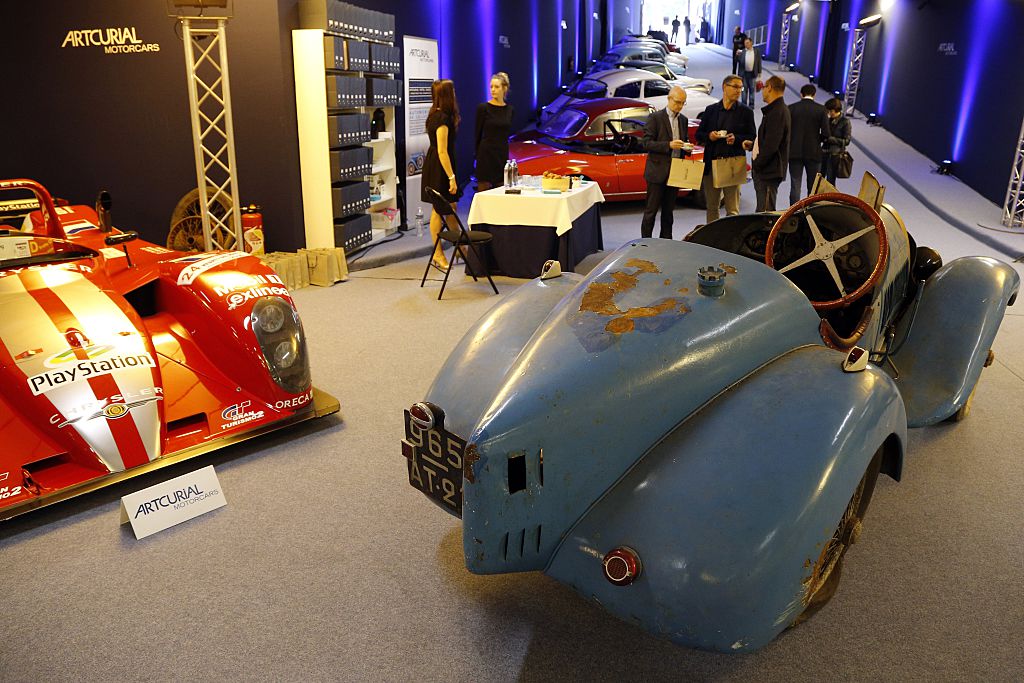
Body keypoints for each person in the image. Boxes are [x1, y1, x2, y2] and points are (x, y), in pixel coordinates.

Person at [695, 74, 756, 223]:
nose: (738, 91)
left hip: (732, 165)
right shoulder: (710, 110)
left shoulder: (746, 112)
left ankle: (730, 243)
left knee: (732, 210)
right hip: (712, 164)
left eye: (740, 88)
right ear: (724, 87)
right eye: (735, 87)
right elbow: (699, 134)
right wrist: (709, 136)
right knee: (712, 207)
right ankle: (712, 240)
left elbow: (752, 136)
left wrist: (737, 139)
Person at [640, 86, 691, 239]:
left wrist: (686, 147)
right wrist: (668, 145)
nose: (680, 106)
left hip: (675, 172)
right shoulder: (655, 118)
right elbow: (646, 143)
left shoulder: (683, 120)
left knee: (668, 213)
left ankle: (666, 243)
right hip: (657, 171)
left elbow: (683, 141)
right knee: (651, 212)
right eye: (677, 102)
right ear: (669, 99)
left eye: (683, 103)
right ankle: (645, 244)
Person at [421, 79, 461, 270]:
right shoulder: (442, 118)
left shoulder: (434, 115)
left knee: (451, 206)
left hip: (436, 164)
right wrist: (451, 177)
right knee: (438, 209)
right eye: (452, 92)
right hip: (440, 167)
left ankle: (462, 246)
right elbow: (442, 151)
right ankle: (438, 253)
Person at [745, 75, 791, 212]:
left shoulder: (777, 113)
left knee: (765, 214)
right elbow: (769, 140)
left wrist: (758, 164)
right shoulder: (775, 110)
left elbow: (771, 146)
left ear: (769, 88)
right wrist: (754, 145)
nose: (762, 91)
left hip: (768, 172)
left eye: (764, 87)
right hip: (767, 170)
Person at [788, 84, 831, 204]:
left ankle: (793, 211)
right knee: (812, 186)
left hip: (794, 151)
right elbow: (826, 133)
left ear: (801, 94)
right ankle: (810, 211)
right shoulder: (821, 109)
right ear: (814, 95)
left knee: (795, 185)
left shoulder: (791, 108)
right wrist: (818, 140)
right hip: (814, 152)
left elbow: (787, 130)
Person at [474, 72, 515, 192]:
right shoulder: (483, 108)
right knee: (484, 193)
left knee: (501, 192)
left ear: (505, 88)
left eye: (496, 87)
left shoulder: (510, 110)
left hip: (501, 155)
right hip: (486, 155)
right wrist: (476, 157)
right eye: (491, 86)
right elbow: (477, 135)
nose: (493, 90)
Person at [822, 98, 852, 185]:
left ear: (836, 110)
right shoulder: (827, 120)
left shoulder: (845, 122)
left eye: (830, 111)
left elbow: (846, 141)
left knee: (830, 181)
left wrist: (831, 139)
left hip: (835, 155)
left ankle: (831, 198)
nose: (828, 113)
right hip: (824, 152)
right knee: (819, 179)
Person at [738, 37, 761, 108]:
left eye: (747, 43)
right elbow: (738, 61)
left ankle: (751, 104)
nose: (746, 45)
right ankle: (743, 104)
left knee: (752, 89)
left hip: (752, 74)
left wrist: (759, 73)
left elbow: (759, 62)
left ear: (751, 43)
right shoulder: (742, 51)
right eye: (745, 43)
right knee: (743, 89)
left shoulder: (756, 51)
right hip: (743, 74)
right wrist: (737, 55)